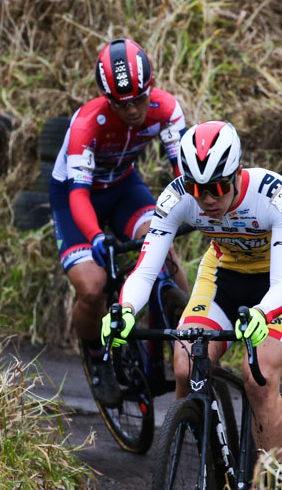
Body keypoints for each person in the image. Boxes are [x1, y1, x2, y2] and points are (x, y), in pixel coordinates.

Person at [103, 121, 282, 458]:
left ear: (238, 174)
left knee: (259, 378)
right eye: (198, 189)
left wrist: (262, 313)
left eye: (217, 187)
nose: (208, 199)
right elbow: (146, 270)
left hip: (277, 281)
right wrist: (125, 310)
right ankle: (211, 470)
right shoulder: (176, 198)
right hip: (222, 276)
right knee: (185, 364)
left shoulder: (276, 195)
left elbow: (281, 286)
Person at [49, 37, 189, 406]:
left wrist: (192, 210)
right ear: (107, 99)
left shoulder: (167, 109)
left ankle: (178, 345)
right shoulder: (86, 125)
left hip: (124, 186)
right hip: (76, 196)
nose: (134, 110)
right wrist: (95, 236)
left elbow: (183, 172)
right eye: (122, 104)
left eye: (141, 98)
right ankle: (97, 358)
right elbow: (79, 194)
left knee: (168, 259)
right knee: (93, 287)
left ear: (152, 86)